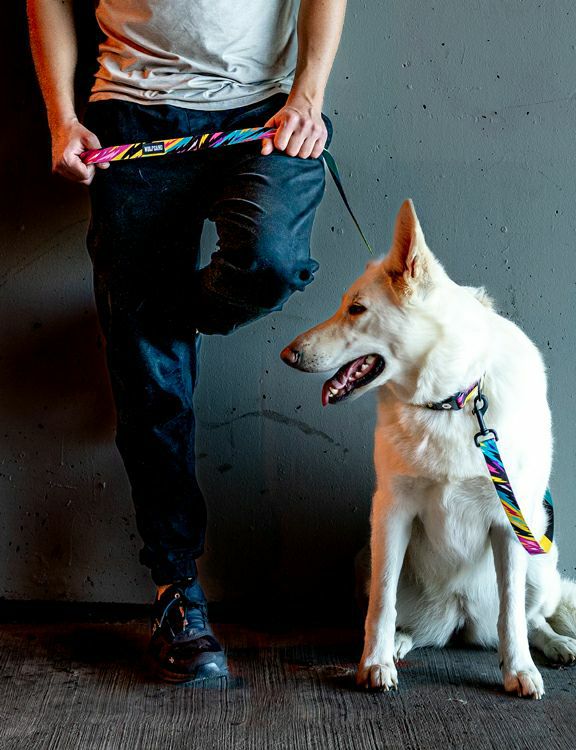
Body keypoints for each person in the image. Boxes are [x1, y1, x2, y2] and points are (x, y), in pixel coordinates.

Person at [27, 0, 347, 682]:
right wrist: (61, 119)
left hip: (265, 116)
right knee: (150, 382)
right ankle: (177, 592)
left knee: (267, 263)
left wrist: (308, 96)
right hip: (132, 113)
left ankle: (161, 325)